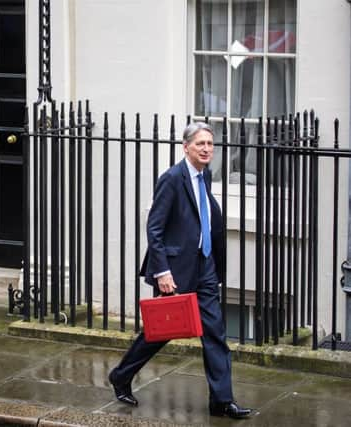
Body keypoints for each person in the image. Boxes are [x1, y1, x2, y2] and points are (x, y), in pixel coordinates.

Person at [108, 122, 253, 419]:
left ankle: (222, 401)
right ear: (186, 147)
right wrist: (162, 272)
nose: (206, 149)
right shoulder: (172, 179)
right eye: (200, 143)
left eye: (210, 144)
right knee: (160, 332)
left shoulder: (204, 176)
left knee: (215, 334)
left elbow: (200, 218)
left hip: (205, 266)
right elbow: (155, 227)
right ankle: (121, 375)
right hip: (176, 270)